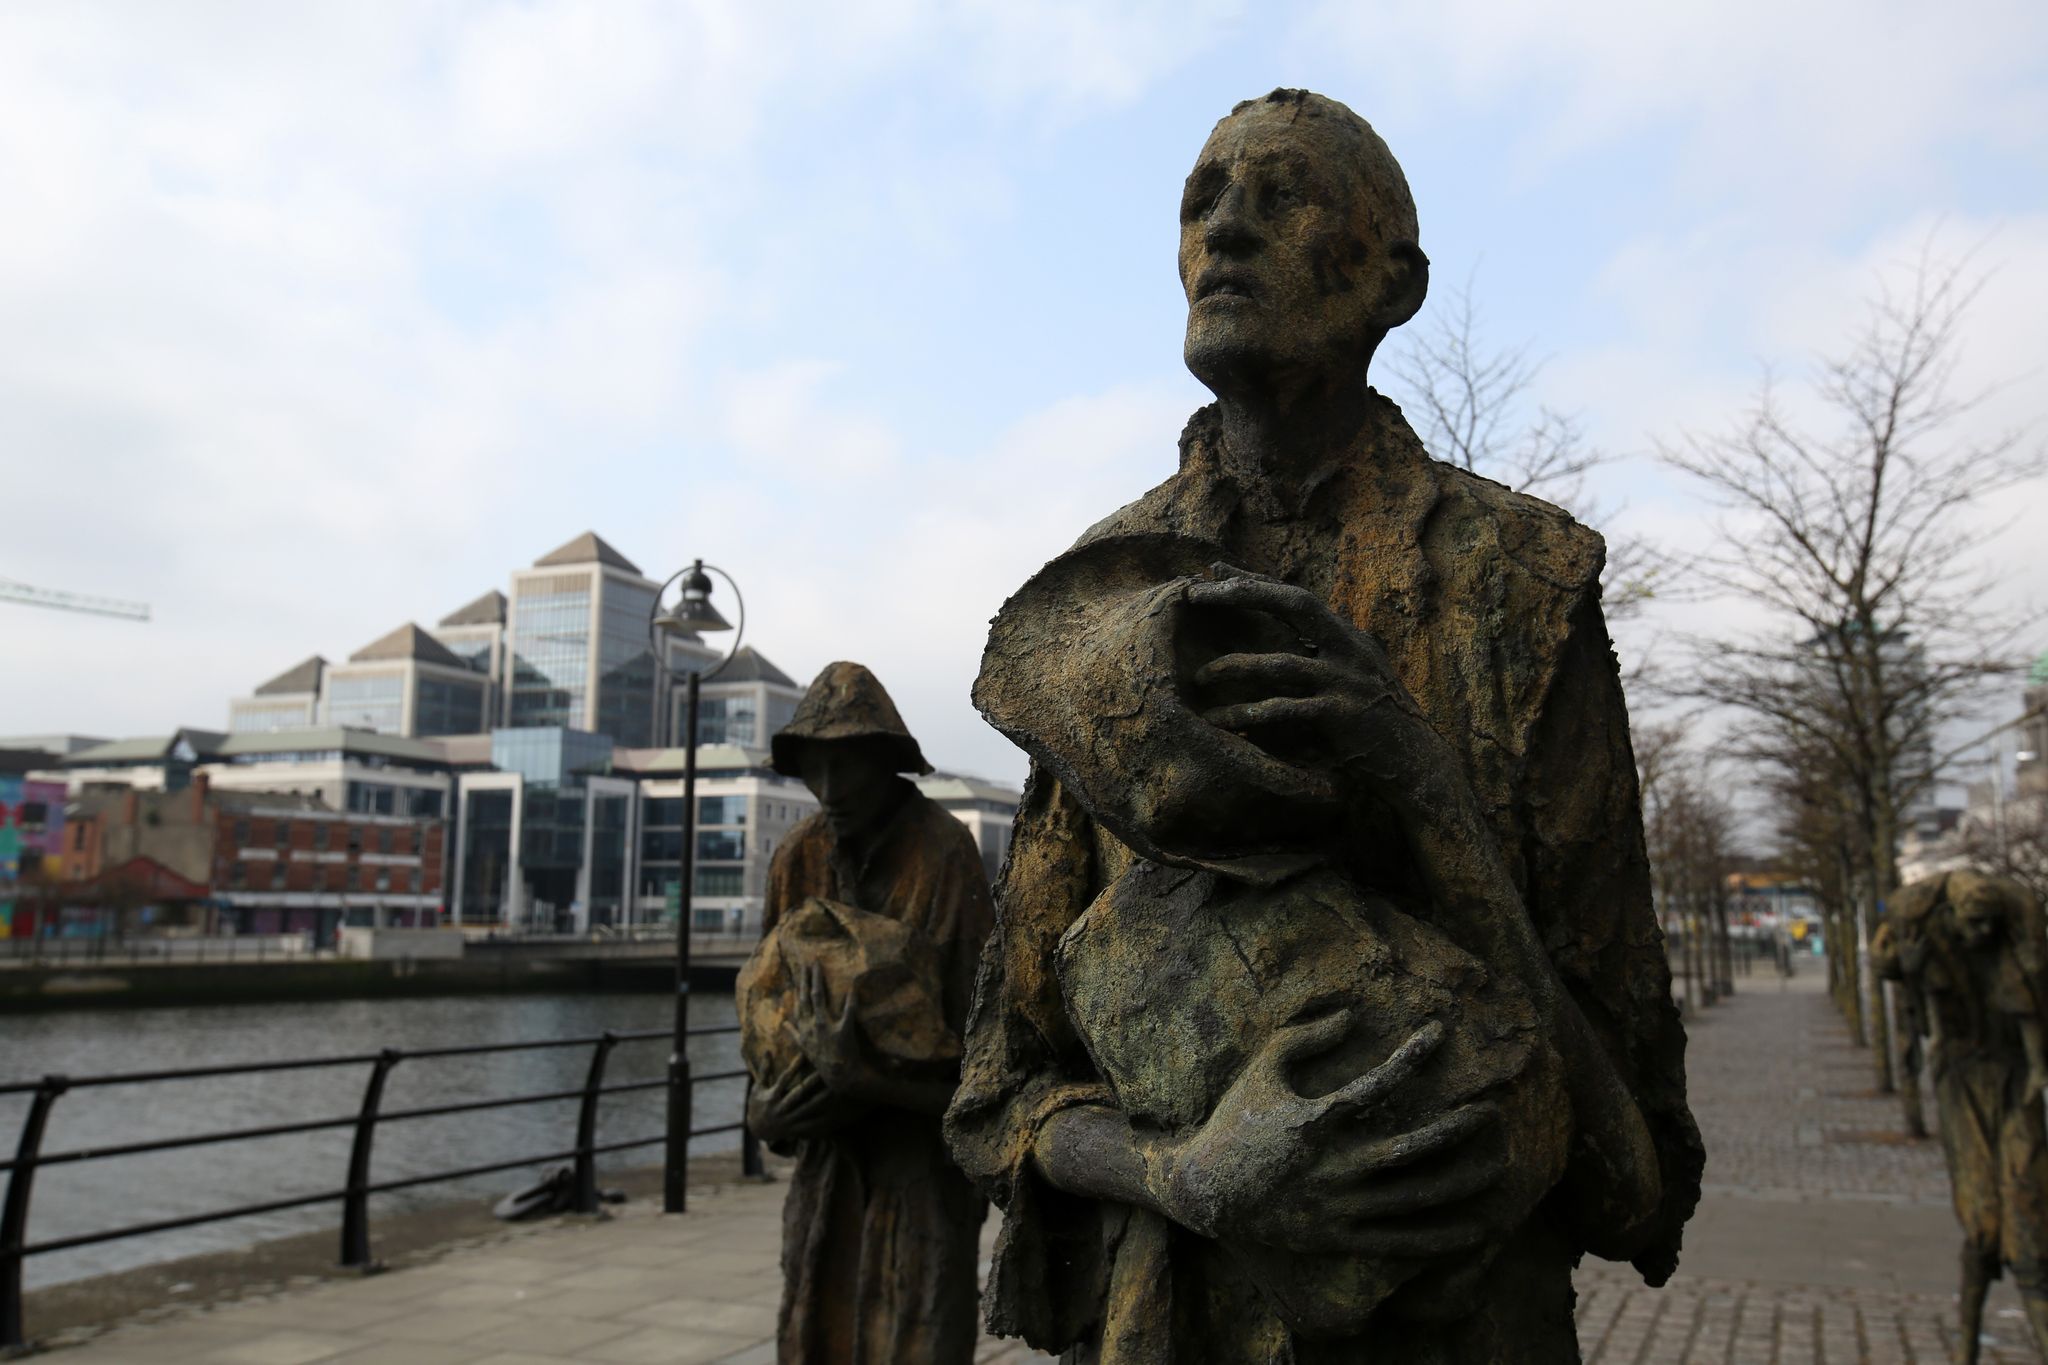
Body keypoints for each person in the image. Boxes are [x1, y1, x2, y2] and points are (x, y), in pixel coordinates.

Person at [947, 89, 1701, 1363]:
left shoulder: (1521, 583)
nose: (1224, 232)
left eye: (1279, 196)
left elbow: (1638, 1170)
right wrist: (1181, 1174)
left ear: (1393, 284)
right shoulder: (1096, 605)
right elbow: (997, 1097)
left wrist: (1420, 789)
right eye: (1200, 203)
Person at [740, 662, 994, 1364]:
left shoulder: (945, 854)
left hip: (919, 1174)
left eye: (846, 766)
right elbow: (766, 1010)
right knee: (813, 1334)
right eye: (814, 768)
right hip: (826, 1172)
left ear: (886, 760)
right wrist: (762, 1114)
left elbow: (985, 1070)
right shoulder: (796, 858)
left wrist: (869, 1079)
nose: (829, 789)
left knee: (915, 1336)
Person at [1881, 872, 2048, 1364]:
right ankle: (1966, 1342)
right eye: (1973, 923)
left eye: (1988, 924)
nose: (1981, 934)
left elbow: (2030, 1009)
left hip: (2016, 1083)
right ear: (1952, 917)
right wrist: (1906, 966)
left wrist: (2038, 1068)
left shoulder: (2014, 949)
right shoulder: (1928, 939)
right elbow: (1889, 965)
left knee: (2029, 1208)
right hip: (1963, 1081)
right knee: (1981, 1220)